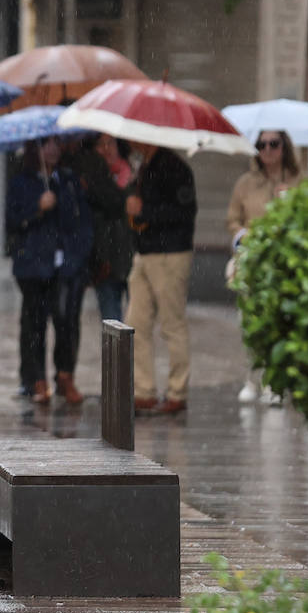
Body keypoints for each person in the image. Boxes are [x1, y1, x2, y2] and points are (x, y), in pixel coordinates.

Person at [6, 137, 94, 404]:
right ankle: (36, 380)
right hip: (33, 266)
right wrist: (37, 208)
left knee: (66, 321)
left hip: (65, 266)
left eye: (56, 143)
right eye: (46, 144)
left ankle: (65, 376)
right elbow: (12, 221)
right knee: (34, 324)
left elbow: (81, 222)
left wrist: (78, 257)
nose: (53, 149)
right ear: (36, 149)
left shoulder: (68, 181)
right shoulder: (21, 182)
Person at [227, 129, 305, 403]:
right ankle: (253, 378)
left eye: (274, 144)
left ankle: (276, 382)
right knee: (251, 321)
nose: (268, 150)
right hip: (253, 261)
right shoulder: (246, 183)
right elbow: (233, 220)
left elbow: (306, 219)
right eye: (262, 145)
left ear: (285, 146)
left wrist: (291, 199)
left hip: (285, 263)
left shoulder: (298, 180)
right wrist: (242, 235)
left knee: (280, 321)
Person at [124, 141, 197, 415]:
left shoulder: (175, 168)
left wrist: (144, 211)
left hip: (169, 254)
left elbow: (183, 212)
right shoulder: (144, 165)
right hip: (144, 252)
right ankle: (143, 390)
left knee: (171, 322)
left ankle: (177, 391)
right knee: (136, 322)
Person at [64, 134, 133, 322]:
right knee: (112, 323)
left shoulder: (134, 174)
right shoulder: (89, 179)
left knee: (138, 321)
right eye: (100, 145)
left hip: (132, 258)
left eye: (110, 143)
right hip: (105, 261)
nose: (106, 149)